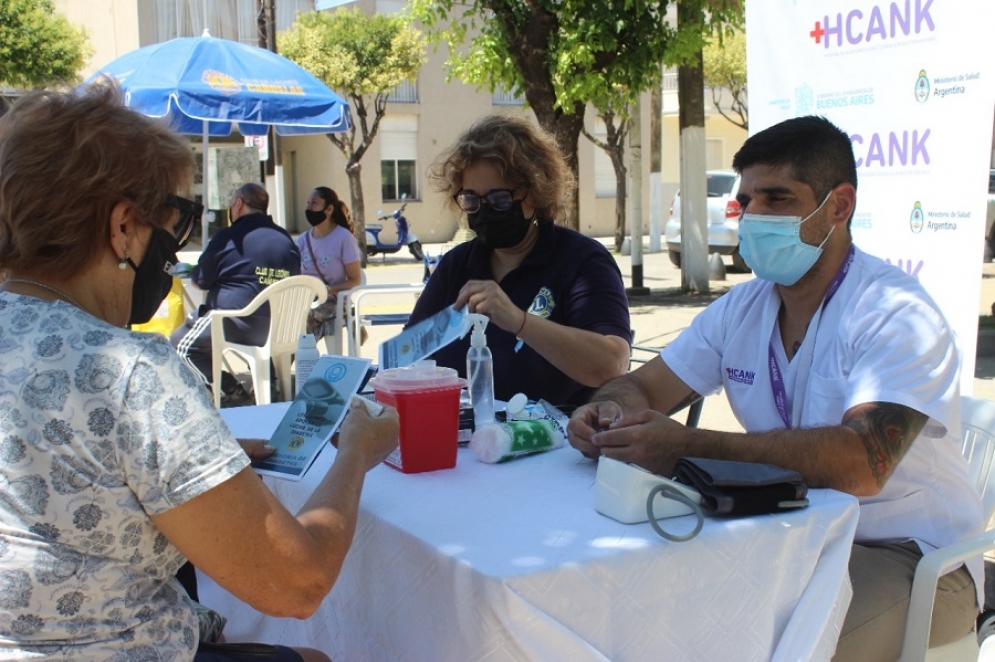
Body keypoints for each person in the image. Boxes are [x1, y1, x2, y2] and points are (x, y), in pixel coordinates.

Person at [0, 84, 399, 662]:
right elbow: (298, 584)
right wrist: (357, 452)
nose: (178, 250)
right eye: (178, 223)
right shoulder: (133, 374)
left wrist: (176, 459)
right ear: (121, 227)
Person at [567, 115, 983, 661]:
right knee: (649, 618)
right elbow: (644, 385)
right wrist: (606, 412)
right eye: (747, 201)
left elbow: (863, 464)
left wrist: (688, 445)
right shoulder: (744, 307)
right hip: (790, 538)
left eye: (778, 199)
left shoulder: (896, 314)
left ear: (839, 206)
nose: (755, 217)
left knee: (746, 647)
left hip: (906, 557)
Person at [406, 113, 631, 408]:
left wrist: (519, 321)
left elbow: (611, 364)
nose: (484, 211)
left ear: (535, 194)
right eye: (471, 200)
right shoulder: (457, 265)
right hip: (463, 437)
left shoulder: (581, 262)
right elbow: (407, 357)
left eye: (499, 199)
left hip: (554, 441)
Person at [171, 182, 301, 405]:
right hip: (281, 327)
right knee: (256, 331)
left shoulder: (229, 237)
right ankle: (268, 383)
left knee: (179, 345)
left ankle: (231, 391)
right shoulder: (285, 239)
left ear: (239, 204)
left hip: (234, 322)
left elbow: (201, 280)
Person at [297, 186, 363, 340]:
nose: (309, 208)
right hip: (307, 299)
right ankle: (278, 360)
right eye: (308, 203)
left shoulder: (343, 238)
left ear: (329, 209)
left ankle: (286, 360)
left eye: (314, 203)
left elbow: (355, 279)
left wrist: (327, 289)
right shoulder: (302, 240)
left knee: (304, 322)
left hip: (333, 300)